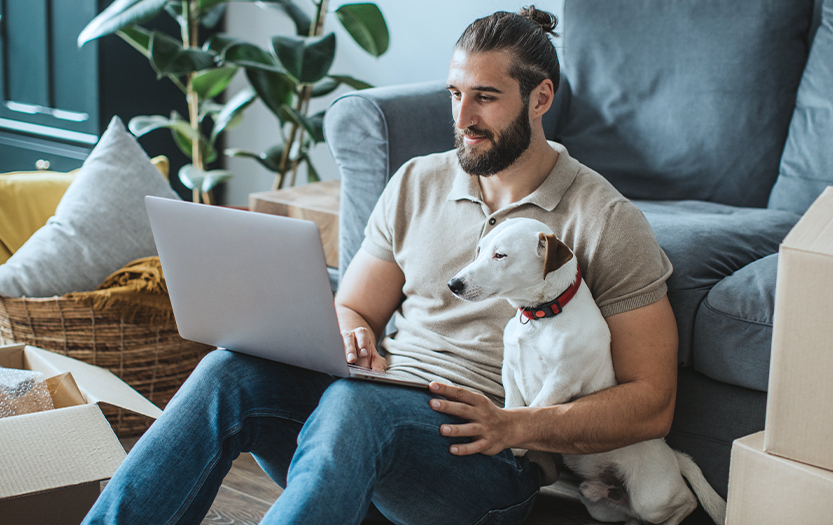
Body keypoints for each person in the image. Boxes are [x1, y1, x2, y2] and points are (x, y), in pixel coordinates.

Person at [83, 6, 677, 525]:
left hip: (484, 466)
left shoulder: (603, 220)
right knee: (229, 371)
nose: (463, 117)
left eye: (486, 98)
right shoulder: (418, 181)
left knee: (354, 407)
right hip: (364, 423)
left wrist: (517, 427)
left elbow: (654, 401)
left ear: (541, 97)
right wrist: (353, 335)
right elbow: (356, 306)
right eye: (455, 94)